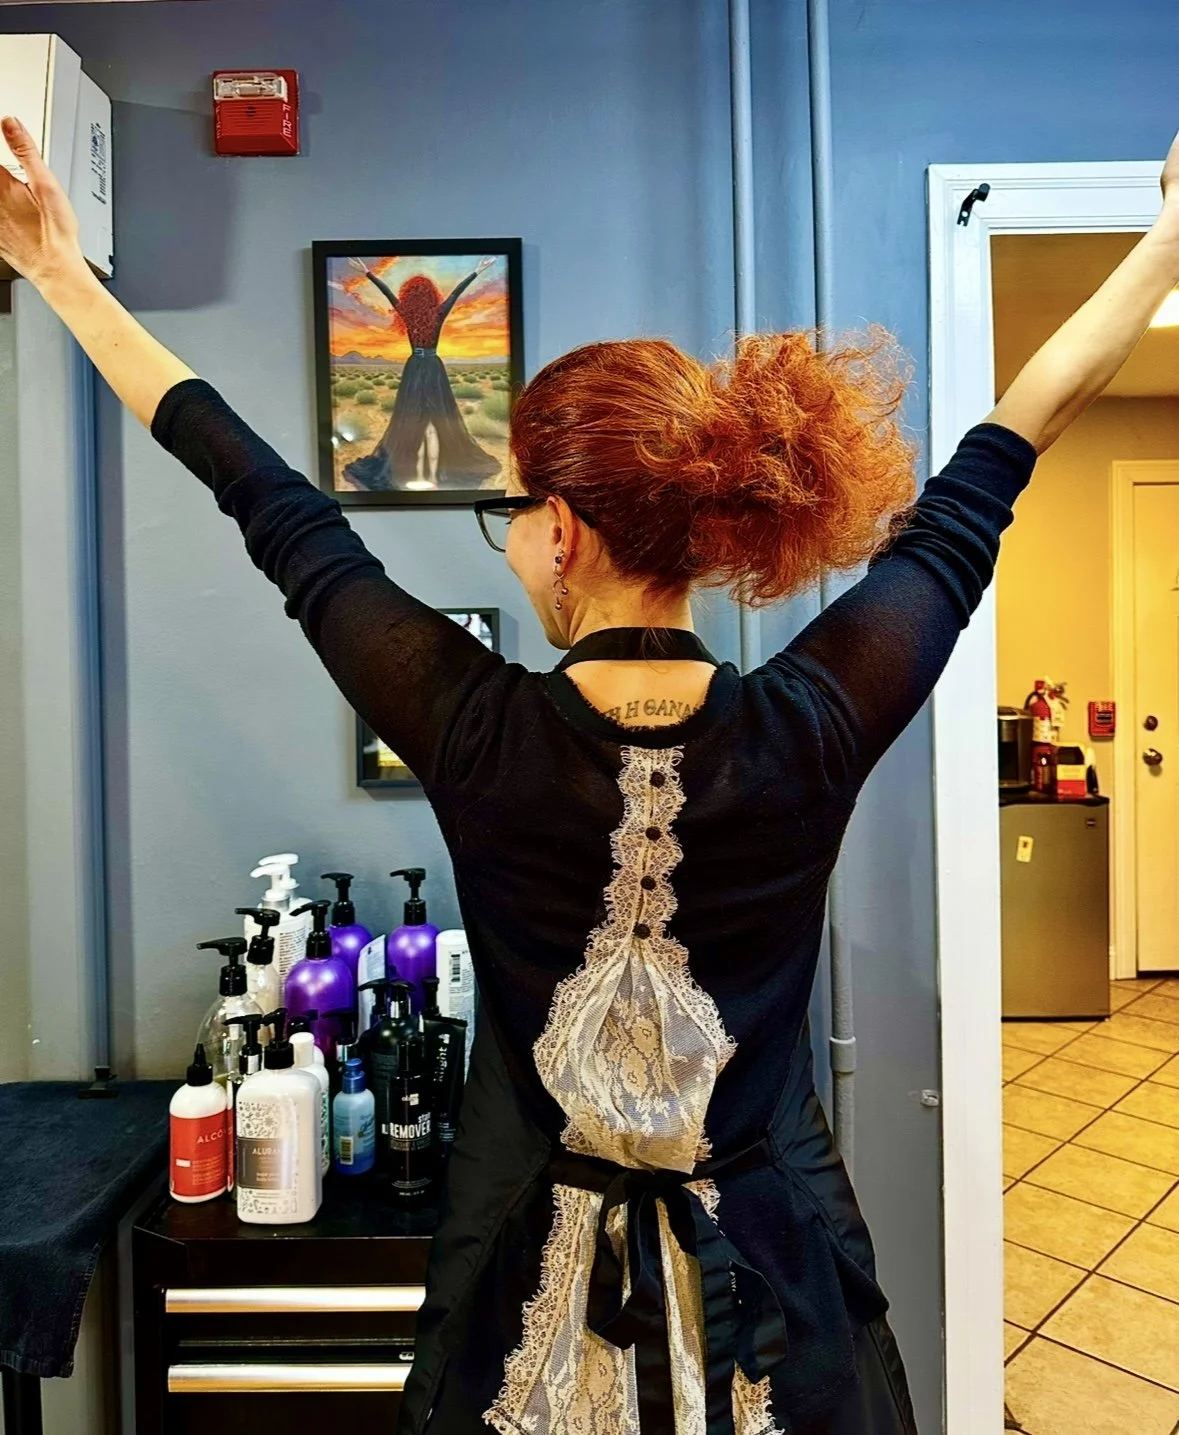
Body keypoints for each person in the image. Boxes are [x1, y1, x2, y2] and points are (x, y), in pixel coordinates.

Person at [2, 111, 1176, 1435]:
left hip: (530, 1310)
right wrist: (1164, 243)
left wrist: (56, 271)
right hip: (777, 1305)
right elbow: (1001, 450)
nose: (506, 541)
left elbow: (267, 497)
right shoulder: (811, 720)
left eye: (507, 511)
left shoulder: (469, 725)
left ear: (559, 530)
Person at [341, 255, 502, 490]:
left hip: (414, 369)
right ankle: (435, 471)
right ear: (432, 295)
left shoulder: (406, 314)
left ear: (409, 295)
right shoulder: (438, 314)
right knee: (439, 418)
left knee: (409, 419)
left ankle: (413, 471)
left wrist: (367, 273)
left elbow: (386, 293)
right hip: (434, 369)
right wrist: (477, 271)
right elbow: (457, 294)